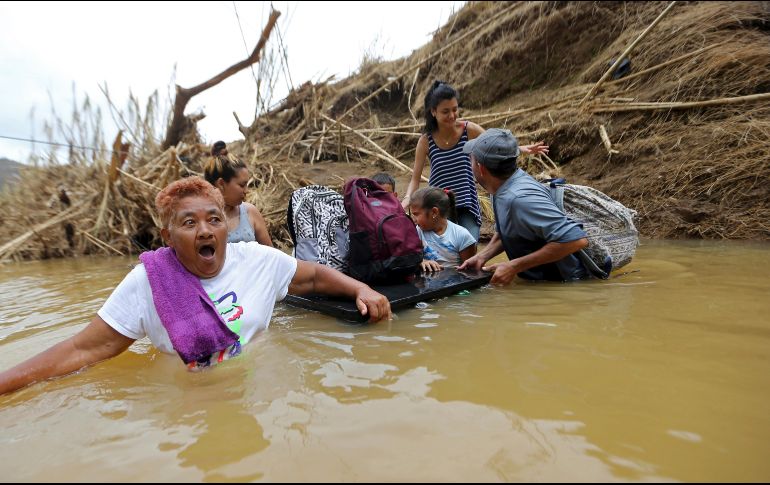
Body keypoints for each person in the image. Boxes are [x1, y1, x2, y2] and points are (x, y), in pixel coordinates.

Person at [0, 177, 390, 396]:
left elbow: (314, 275)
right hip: (190, 398)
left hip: (261, 386)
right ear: (167, 235)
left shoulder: (255, 259)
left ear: (225, 225)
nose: (205, 230)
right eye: (189, 223)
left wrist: (360, 290)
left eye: (214, 219)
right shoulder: (147, 283)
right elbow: (83, 348)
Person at [401, 81, 549, 241]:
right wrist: (406, 201)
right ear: (433, 112)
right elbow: (415, 180)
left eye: (455, 109)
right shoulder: (425, 141)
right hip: (439, 206)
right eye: (445, 111)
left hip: (467, 201)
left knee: (469, 244)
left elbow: (495, 145)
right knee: (444, 251)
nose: (452, 115)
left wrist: (521, 148)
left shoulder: (468, 130)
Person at [457, 128, 589, 285]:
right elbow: (509, 230)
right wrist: (482, 256)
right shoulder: (500, 187)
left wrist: (514, 266)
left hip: (565, 284)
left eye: (471, 159)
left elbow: (576, 240)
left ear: (481, 168)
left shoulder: (519, 199)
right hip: (543, 282)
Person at [204, 141, 273, 246]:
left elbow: (272, 256)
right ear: (221, 184)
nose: (246, 190)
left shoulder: (250, 212)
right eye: (242, 185)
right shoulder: (202, 220)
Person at [409, 187, 477, 272]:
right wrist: (421, 261)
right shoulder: (418, 232)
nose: (413, 219)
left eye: (416, 214)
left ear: (434, 212)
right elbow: (410, 257)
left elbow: (472, 271)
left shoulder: (462, 235)